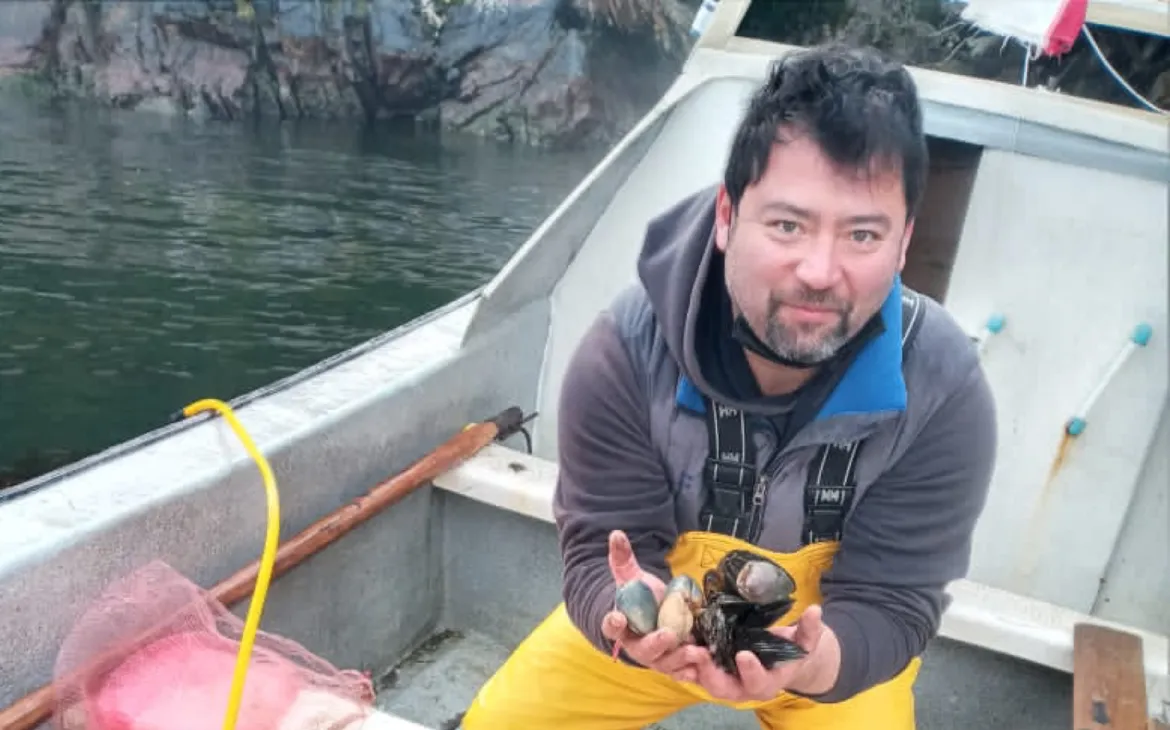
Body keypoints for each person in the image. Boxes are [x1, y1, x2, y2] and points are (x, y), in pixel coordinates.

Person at [462, 42, 997, 729]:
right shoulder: (625, 352)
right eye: (787, 224)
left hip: (822, 653)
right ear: (726, 216)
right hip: (655, 634)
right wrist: (629, 615)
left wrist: (816, 662)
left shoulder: (944, 391)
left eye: (863, 235)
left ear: (902, 243)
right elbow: (603, 551)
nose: (819, 269)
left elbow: (893, 603)